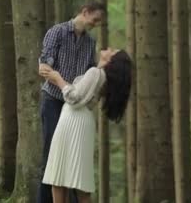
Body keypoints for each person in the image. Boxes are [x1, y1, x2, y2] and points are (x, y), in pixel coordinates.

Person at [39, 48, 132, 203]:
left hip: (73, 120)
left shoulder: (95, 73)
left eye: (113, 51)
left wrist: (58, 78)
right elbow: (78, 93)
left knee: (59, 177)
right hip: (80, 121)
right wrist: (55, 79)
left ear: (113, 60)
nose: (109, 48)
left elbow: (74, 98)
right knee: (76, 178)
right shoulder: (101, 75)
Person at [37, 0, 105, 203]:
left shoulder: (90, 43)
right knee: (51, 157)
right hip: (53, 101)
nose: (96, 24)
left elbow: (88, 75)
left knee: (74, 159)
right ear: (85, 12)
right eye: (95, 19)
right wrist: (65, 85)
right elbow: (45, 67)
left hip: (74, 107)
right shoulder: (56, 32)